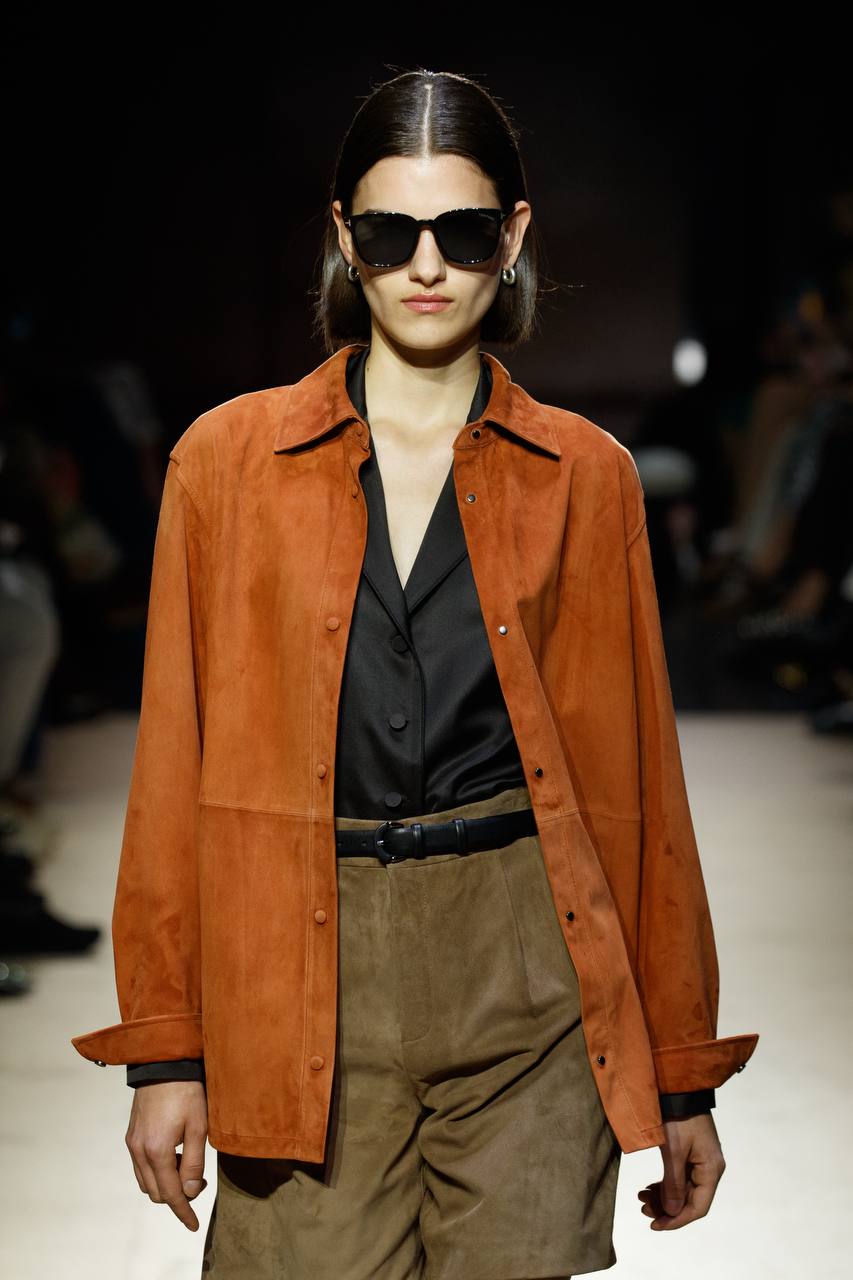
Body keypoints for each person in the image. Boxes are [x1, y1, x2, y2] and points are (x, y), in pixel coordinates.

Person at [70, 68, 759, 1279]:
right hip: (301, 966)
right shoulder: (227, 463)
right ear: (345, 237)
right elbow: (173, 770)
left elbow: (635, 788)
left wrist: (682, 1069)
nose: (426, 266)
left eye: (464, 231)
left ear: (514, 236)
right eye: (391, 233)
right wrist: (167, 1050)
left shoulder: (583, 474)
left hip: (526, 967)